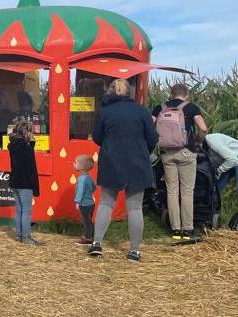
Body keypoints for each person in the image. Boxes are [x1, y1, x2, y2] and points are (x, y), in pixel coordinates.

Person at [88, 79, 158, 262]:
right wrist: (143, 152)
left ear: (111, 91)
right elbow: (152, 138)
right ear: (129, 92)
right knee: (134, 208)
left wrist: (110, 146)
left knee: (106, 203)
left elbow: (96, 137)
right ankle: (134, 251)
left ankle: (97, 243)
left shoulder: (105, 111)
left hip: (111, 161)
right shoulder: (140, 111)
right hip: (137, 163)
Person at [151, 83, 208, 241]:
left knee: (172, 191)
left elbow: (150, 124)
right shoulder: (191, 108)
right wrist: (197, 142)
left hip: (167, 153)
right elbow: (203, 128)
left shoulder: (160, 107)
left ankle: (175, 230)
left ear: (171, 93)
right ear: (186, 94)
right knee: (187, 191)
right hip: (186, 152)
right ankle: (187, 229)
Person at [8, 119, 42, 245]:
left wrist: (31, 146)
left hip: (15, 181)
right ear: (27, 132)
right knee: (26, 211)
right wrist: (35, 186)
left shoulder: (12, 145)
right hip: (25, 183)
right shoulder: (25, 147)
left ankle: (19, 235)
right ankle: (26, 237)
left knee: (19, 210)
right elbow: (30, 166)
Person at [73, 155, 97, 245]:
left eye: (75, 163)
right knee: (89, 220)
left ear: (82, 167)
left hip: (84, 204)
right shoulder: (89, 177)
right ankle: (92, 236)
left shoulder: (81, 179)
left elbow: (80, 191)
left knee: (86, 221)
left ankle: (88, 239)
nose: (74, 164)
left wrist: (77, 202)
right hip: (91, 203)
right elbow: (94, 187)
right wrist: (89, 193)